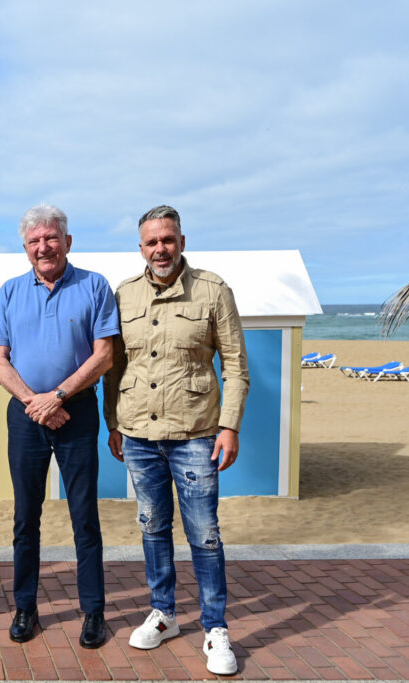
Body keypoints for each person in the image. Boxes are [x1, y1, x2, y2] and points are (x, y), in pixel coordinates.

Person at [102, 205, 248, 675]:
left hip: (195, 435)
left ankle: (215, 628)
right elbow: (113, 367)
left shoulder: (212, 289)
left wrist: (230, 426)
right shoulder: (123, 294)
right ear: (140, 248)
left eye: (167, 239)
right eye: (151, 242)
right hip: (140, 435)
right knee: (152, 527)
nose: (160, 249)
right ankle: (163, 613)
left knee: (204, 535)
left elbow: (237, 365)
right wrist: (113, 424)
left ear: (182, 241)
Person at [0, 205, 119, 648]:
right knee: (26, 518)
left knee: (85, 517)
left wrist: (58, 397)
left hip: (76, 413)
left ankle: (93, 611)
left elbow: (104, 355)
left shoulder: (94, 286)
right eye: (34, 241)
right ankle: (25, 607)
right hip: (26, 417)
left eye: (51, 238)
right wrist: (34, 402)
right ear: (25, 248)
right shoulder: (8, 292)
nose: (43, 247)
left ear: (67, 241)